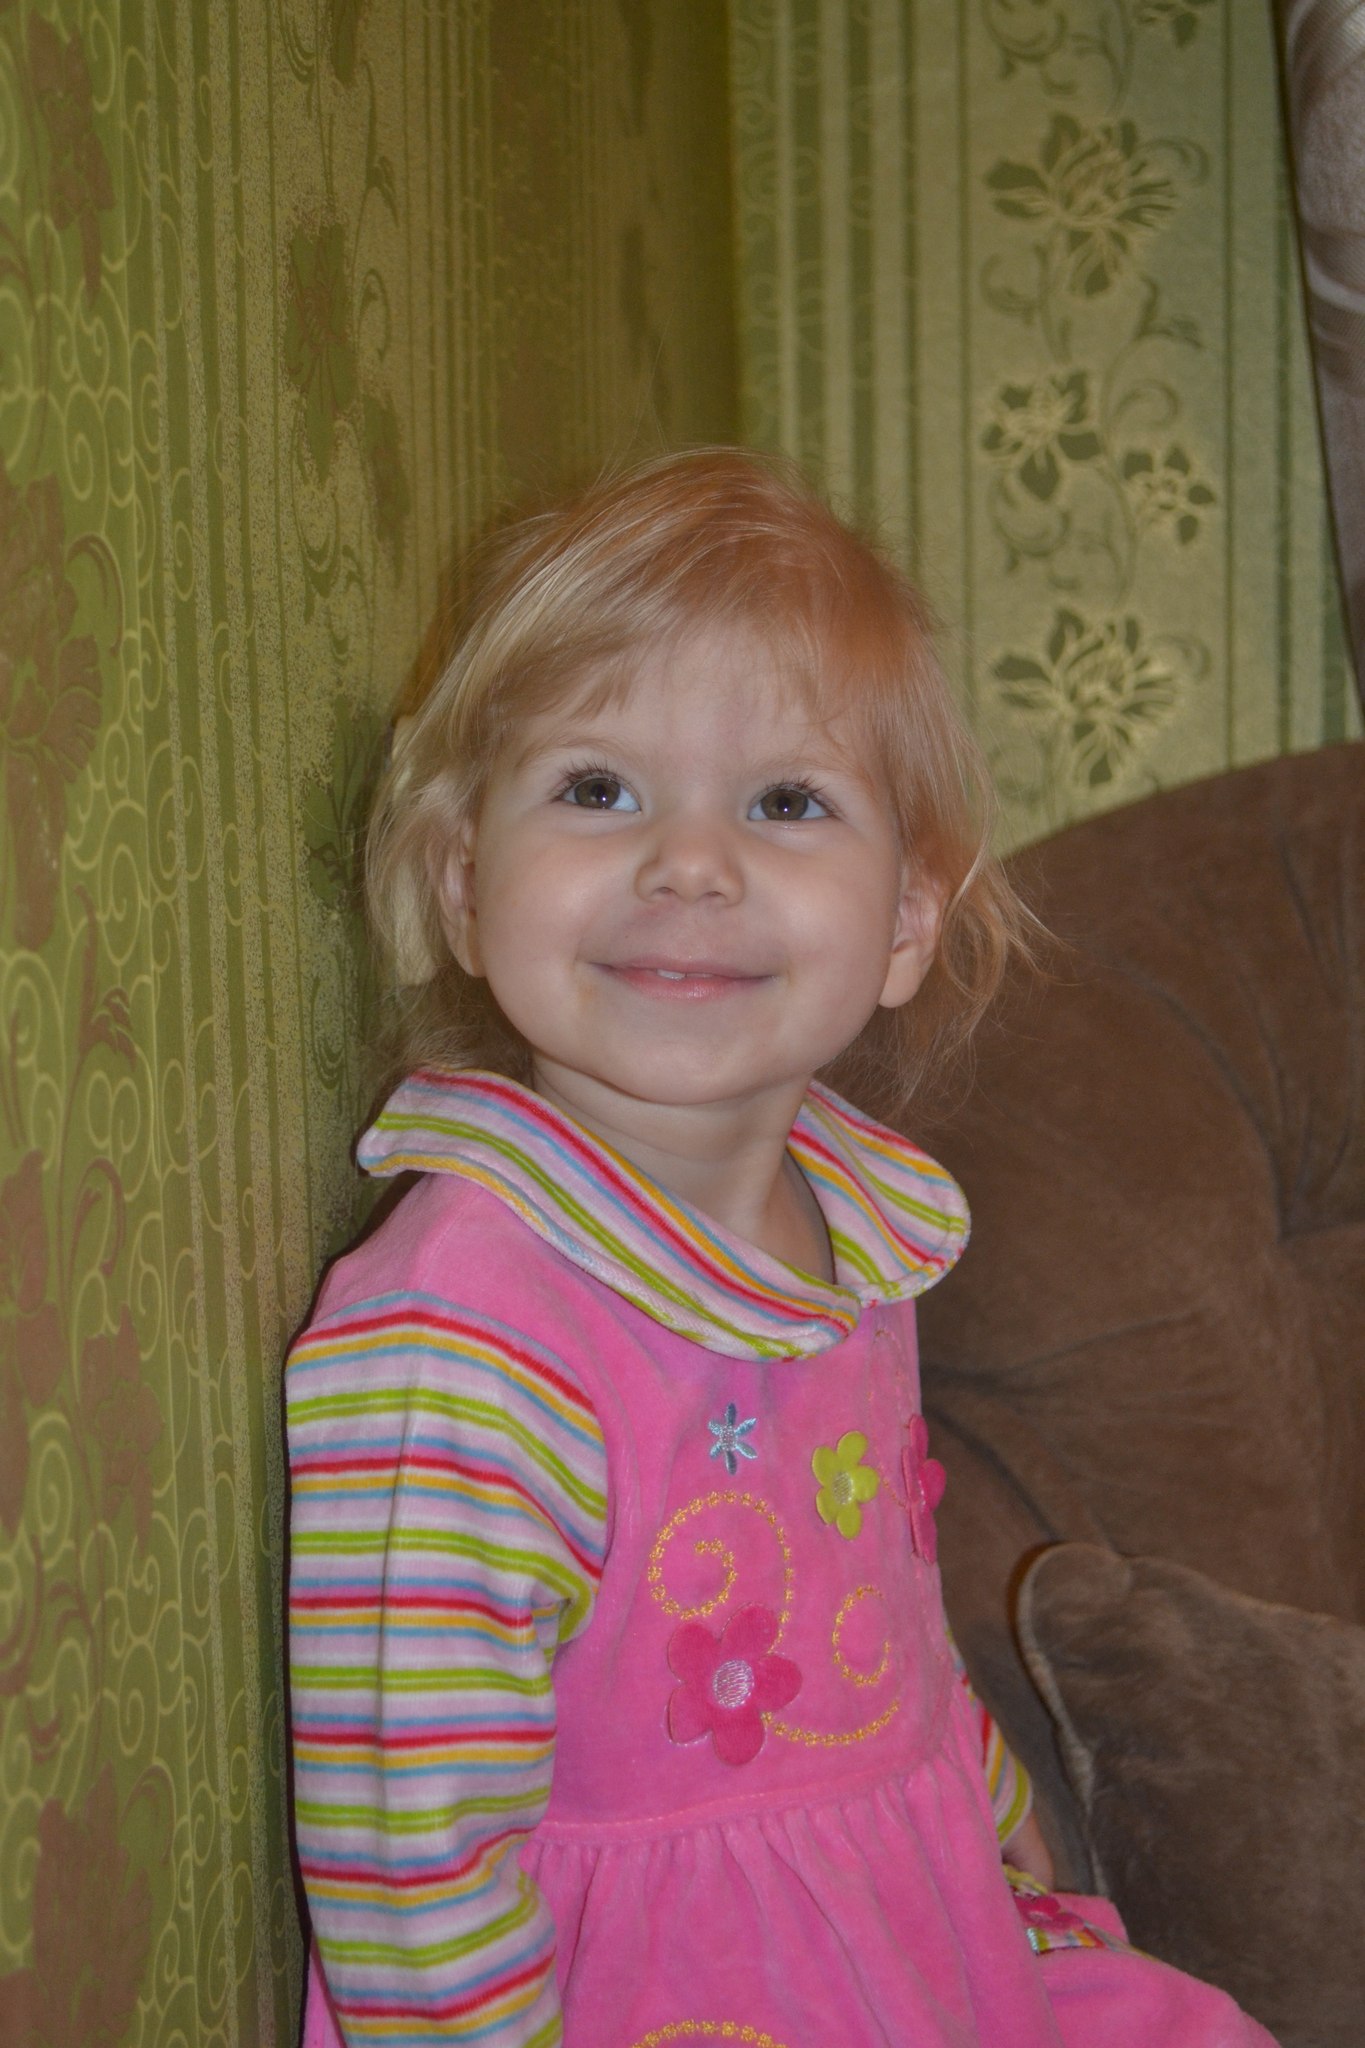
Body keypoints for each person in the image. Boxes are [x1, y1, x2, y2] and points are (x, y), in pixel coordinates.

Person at [286, 449, 1277, 2046]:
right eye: (596, 788)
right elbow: (409, 1863)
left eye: (785, 803)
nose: (690, 861)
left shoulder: (852, 1226)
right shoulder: (464, 1327)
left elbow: (868, 1583)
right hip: (659, 1991)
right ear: (467, 884)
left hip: (907, 1915)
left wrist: (983, 1795)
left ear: (903, 926)